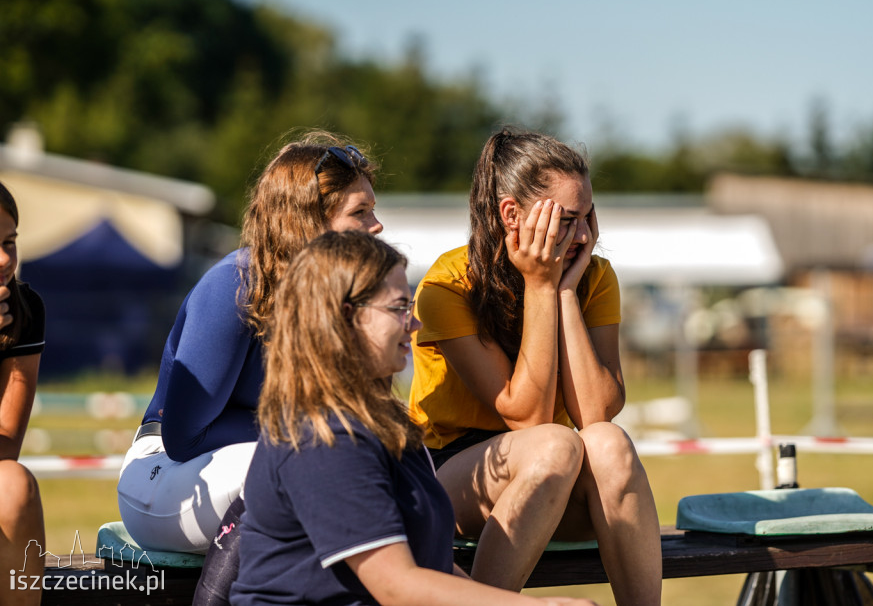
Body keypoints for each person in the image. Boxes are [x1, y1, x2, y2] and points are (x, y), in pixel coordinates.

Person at [231, 230, 596, 606]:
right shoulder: (325, 438)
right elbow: (396, 586)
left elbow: (429, 566)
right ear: (345, 317)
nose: (415, 323)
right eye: (399, 308)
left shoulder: (377, 425)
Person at [408, 127, 662, 605]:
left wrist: (565, 290)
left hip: (554, 471)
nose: (584, 235)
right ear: (511, 214)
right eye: (567, 219)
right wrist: (540, 286)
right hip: (453, 478)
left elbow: (596, 414)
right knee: (554, 444)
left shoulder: (594, 278)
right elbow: (527, 418)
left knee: (608, 442)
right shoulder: (447, 286)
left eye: (588, 217)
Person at [117, 132, 384, 556]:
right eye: (361, 211)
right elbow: (184, 437)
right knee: (295, 470)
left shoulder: (350, 300)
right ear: (308, 220)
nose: (377, 225)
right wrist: (317, 429)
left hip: (279, 461)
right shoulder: (234, 284)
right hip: (164, 471)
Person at [0, 182, 46, 606]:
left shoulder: (24, 310)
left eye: (9, 243)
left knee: (15, 484)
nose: (2, 259)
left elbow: (6, 446)